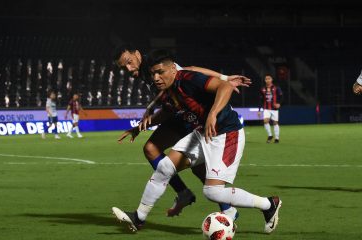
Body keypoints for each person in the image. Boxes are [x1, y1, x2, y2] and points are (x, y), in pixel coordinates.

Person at [112, 50, 282, 234]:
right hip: (202, 134)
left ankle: (268, 204)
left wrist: (213, 114)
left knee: (212, 192)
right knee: (164, 168)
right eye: (153, 74)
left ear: (173, 69)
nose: (156, 77)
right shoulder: (168, 91)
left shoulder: (187, 78)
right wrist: (139, 127)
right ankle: (139, 218)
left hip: (226, 133)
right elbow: (167, 112)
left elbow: (224, 87)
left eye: (160, 72)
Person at [258, 74, 283, 143]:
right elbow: (260, 100)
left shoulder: (276, 88)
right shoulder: (262, 89)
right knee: (265, 121)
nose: (267, 80)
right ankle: (270, 135)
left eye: (269, 78)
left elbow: (281, 96)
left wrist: (279, 103)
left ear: (271, 79)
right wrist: (259, 110)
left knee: (275, 123)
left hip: (274, 109)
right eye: (266, 79)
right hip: (266, 108)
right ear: (265, 80)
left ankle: (277, 138)